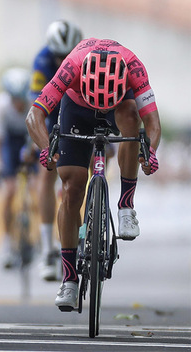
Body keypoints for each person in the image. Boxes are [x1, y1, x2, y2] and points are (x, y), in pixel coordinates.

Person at [26, 38, 161, 310]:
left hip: (119, 106)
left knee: (131, 116)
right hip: (77, 108)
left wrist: (151, 152)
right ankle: (69, 280)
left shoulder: (134, 67)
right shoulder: (71, 65)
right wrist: (45, 148)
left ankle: (126, 205)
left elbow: (153, 123)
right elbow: (34, 116)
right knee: (71, 188)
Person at [28, 20, 83, 281]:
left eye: (68, 54)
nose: (63, 60)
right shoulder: (42, 60)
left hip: (81, 111)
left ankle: (83, 234)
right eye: (59, 56)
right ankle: (48, 246)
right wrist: (40, 141)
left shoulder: (86, 57)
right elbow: (36, 103)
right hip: (51, 113)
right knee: (47, 172)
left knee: (79, 178)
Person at [0, 67, 32, 269]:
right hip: (10, 143)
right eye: (15, 98)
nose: (19, 103)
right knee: (9, 191)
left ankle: (37, 235)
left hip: (31, 139)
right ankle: (6, 242)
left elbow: (40, 135)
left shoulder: (34, 102)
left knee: (39, 188)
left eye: (21, 97)